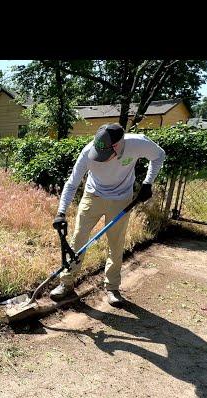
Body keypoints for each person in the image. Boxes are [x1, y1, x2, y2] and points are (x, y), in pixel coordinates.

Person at [51, 123, 165, 307]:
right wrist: (61, 212)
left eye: (106, 155)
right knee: (78, 238)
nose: (101, 159)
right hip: (92, 195)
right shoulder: (89, 152)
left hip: (121, 199)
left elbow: (159, 156)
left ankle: (112, 287)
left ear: (118, 146)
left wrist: (148, 183)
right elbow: (72, 183)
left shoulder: (137, 143)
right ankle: (66, 284)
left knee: (115, 242)